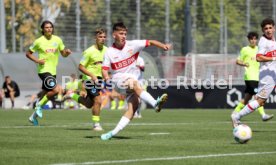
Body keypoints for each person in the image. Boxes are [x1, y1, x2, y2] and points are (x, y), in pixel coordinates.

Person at [100, 22, 170, 140]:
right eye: (121, 33)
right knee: (134, 83)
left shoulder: (133, 45)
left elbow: (150, 42)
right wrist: (107, 78)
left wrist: (163, 46)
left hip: (132, 81)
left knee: (132, 109)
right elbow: (104, 69)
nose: (124, 36)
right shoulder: (109, 52)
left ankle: (112, 133)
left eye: (125, 34)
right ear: (114, 35)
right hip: (118, 80)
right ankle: (155, 104)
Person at [231, 18, 276, 128]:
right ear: (263, 30)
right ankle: (236, 116)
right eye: (266, 29)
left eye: (270, 28)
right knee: (260, 101)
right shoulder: (263, 42)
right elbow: (259, 57)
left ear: (274, 28)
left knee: (258, 101)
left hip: (273, 73)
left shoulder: (272, 40)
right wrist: (273, 58)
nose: (268, 30)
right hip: (267, 76)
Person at [26, 20, 72, 126]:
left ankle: (33, 117)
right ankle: (38, 106)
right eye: (46, 27)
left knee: (45, 95)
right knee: (56, 90)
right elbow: (28, 53)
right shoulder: (38, 41)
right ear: (42, 29)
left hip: (52, 71)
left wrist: (67, 53)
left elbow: (63, 54)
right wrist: (37, 61)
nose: (49, 29)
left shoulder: (57, 40)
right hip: (43, 71)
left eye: (50, 27)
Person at [66, 28, 107, 131]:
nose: (102, 39)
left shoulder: (107, 51)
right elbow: (81, 66)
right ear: (95, 38)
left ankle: (71, 95)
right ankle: (96, 124)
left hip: (99, 80)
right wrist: (92, 76)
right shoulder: (89, 51)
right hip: (89, 79)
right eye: (100, 37)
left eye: (104, 37)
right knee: (98, 100)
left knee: (89, 104)